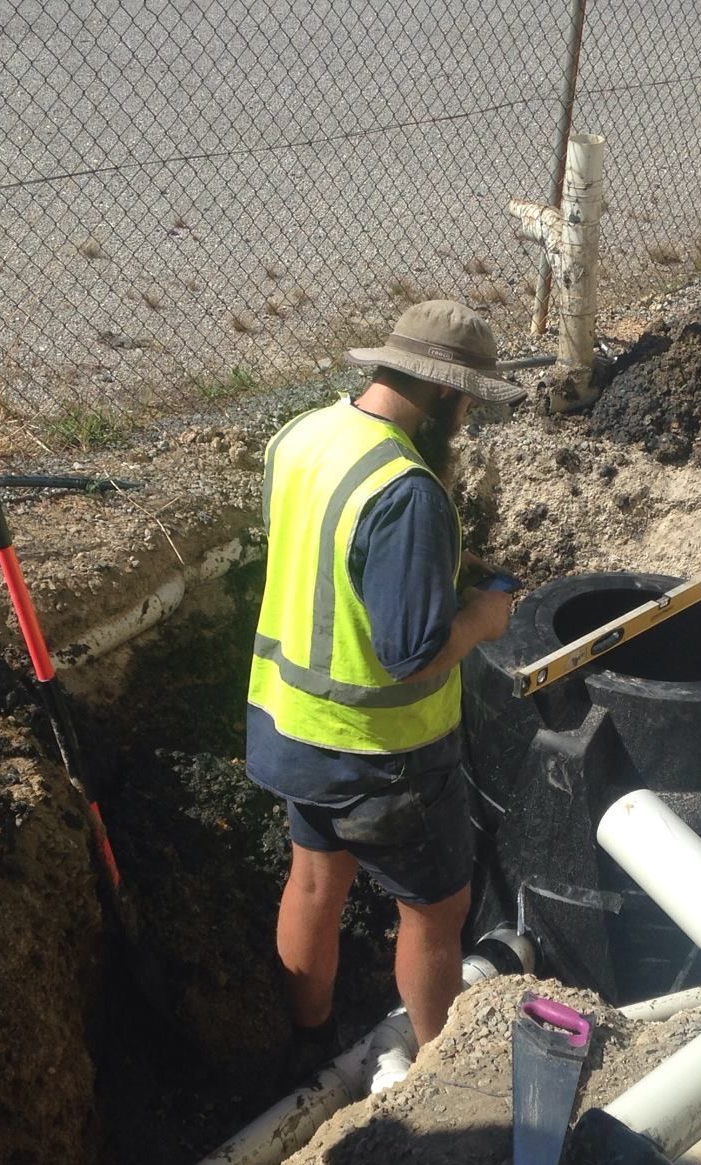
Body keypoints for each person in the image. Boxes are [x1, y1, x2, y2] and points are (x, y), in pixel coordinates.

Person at [246, 299, 525, 1080]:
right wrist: (481, 618)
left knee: (312, 880)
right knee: (437, 913)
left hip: (292, 726)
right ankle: (440, 1073)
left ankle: (310, 1046)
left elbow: (326, 552)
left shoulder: (301, 436)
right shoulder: (408, 488)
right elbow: (415, 654)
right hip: (381, 755)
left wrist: (428, 573)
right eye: (466, 405)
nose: (465, 421)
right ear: (442, 393)